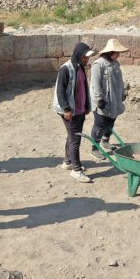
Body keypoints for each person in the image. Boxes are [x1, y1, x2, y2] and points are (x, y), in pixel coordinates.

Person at [53, 41, 95, 183]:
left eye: (87, 57)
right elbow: (60, 91)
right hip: (70, 111)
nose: (86, 59)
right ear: (79, 55)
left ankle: (67, 161)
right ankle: (76, 170)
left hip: (80, 110)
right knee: (75, 139)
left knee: (72, 137)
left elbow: (83, 88)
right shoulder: (66, 69)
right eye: (85, 57)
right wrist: (66, 109)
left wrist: (87, 106)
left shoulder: (81, 67)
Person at [89, 38, 128, 161]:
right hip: (103, 102)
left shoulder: (115, 64)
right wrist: (100, 98)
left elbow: (119, 81)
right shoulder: (98, 64)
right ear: (111, 52)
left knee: (111, 121)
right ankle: (94, 148)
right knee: (100, 124)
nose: (119, 54)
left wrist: (122, 92)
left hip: (114, 100)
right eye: (117, 52)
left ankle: (105, 141)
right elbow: (95, 83)